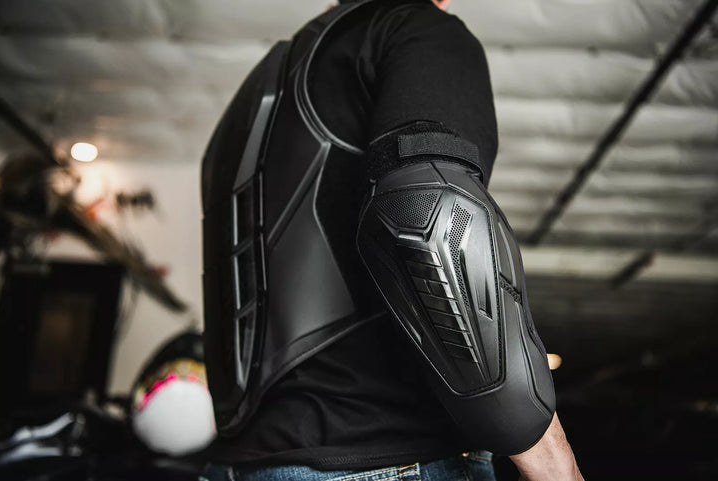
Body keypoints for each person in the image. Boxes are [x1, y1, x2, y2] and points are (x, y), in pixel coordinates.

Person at [200, 0, 585, 480]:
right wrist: (550, 458)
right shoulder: (416, 28)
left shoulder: (257, 93)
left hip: (239, 464)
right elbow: (431, 222)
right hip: (384, 455)